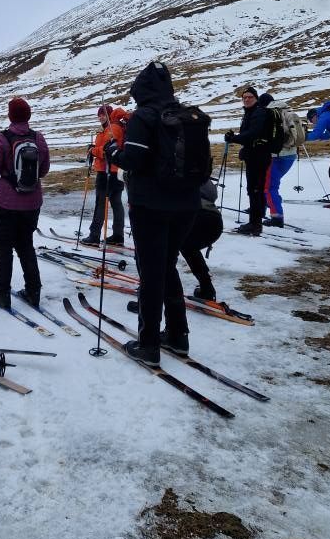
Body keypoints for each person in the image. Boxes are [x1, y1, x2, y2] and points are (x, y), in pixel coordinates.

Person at [104, 62, 205, 366]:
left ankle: (148, 345)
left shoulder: (144, 117)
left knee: (150, 273)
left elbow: (133, 160)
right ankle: (177, 335)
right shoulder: (186, 116)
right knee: (167, 267)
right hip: (187, 204)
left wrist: (113, 152)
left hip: (151, 205)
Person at [0, 97, 50, 309]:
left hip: (5, 203)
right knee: (26, 245)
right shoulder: (38, 138)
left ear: (10, 116)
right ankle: (33, 291)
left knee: (3, 249)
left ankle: (2, 294)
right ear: (28, 115)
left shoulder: (2, 139)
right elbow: (44, 170)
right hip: (32, 202)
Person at [127, 177, 223, 314]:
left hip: (186, 214)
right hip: (213, 219)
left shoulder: (160, 168)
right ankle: (206, 288)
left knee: (152, 255)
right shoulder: (192, 169)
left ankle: (146, 301)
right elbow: (212, 192)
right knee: (188, 248)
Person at [224, 86, 271, 236]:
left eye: (250, 97)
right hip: (254, 155)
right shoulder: (251, 113)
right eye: (244, 97)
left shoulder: (258, 112)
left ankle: (255, 225)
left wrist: (234, 138)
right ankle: (255, 222)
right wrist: (237, 138)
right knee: (255, 190)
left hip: (259, 156)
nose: (247, 99)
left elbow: (253, 134)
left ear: (256, 98)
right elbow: (249, 135)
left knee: (255, 190)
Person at [79, 104, 126, 246]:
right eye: (99, 115)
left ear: (109, 115)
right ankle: (118, 235)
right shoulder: (113, 127)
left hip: (108, 171)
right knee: (116, 202)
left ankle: (94, 236)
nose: (100, 117)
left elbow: (107, 151)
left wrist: (92, 150)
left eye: (103, 115)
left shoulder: (112, 128)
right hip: (116, 171)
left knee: (100, 203)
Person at [260, 93, 298, 228]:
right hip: (291, 154)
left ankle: (277, 217)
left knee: (269, 187)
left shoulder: (270, 113)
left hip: (276, 156)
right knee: (271, 185)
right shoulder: (286, 110)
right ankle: (267, 206)